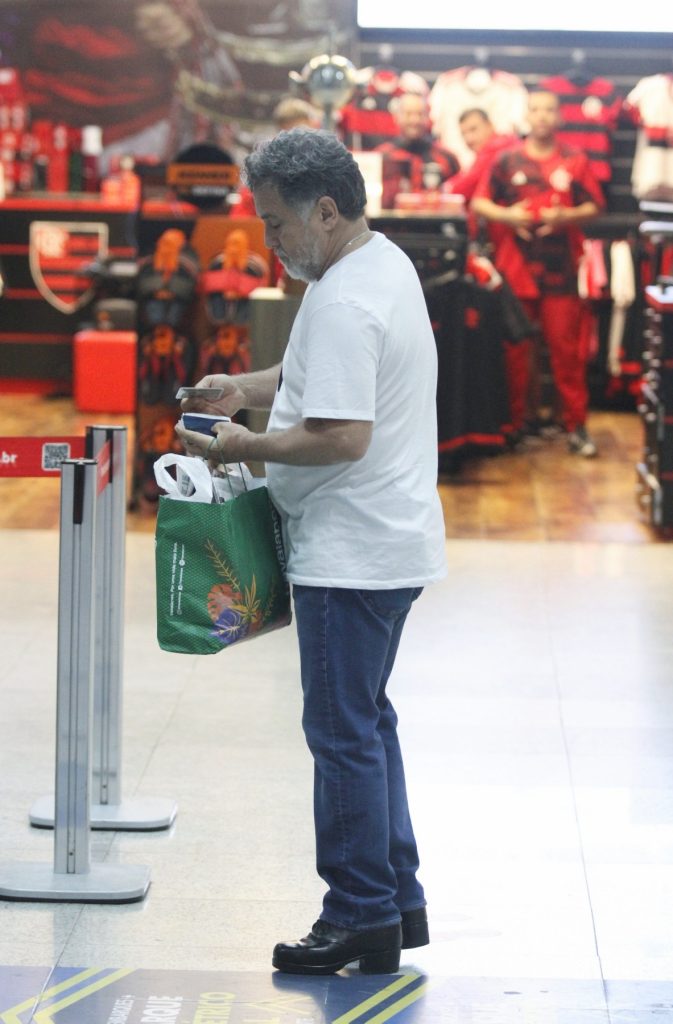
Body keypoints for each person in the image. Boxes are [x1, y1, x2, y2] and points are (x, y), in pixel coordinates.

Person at [176, 128, 447, 975]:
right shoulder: (377, 263)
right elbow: (316, 379)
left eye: (276, 225)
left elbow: (337, 434)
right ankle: (394, 902)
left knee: (339, 734)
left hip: (350, 551)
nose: (270, 242)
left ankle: (358, 913)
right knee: (366, 723)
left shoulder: (339, 299)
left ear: (324, 211)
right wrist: (244, 389)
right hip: (390, 540)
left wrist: (233, 447)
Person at [471, 88, 604, 456]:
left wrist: (567, 217)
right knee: (516, 351)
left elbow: (596, 205)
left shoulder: (575, 159)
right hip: (517, 272)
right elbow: (479, 202)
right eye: (536, 109)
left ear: (559, 117)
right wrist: (509, 216)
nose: (542, 116)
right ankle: (516, 424)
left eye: (549, 110)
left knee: (566, 353)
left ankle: (575, 425)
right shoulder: (506, 160)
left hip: (561, 272)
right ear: (527, 114)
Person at [376, 92, 460, 208]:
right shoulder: (381, 157)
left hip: (433, 224)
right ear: (397, 117)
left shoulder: (447, 157)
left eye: (420, 114)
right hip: (389, 225)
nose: (414, 120)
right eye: (408, 114)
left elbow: (456, 200)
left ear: (428, 118)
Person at [443, 108, 518, 205]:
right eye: (464, 134)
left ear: (490, 126)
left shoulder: (499, 146)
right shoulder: (497, 145)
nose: (469, 139)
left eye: (473, 129)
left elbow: (468, 185)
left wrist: (445, 189)